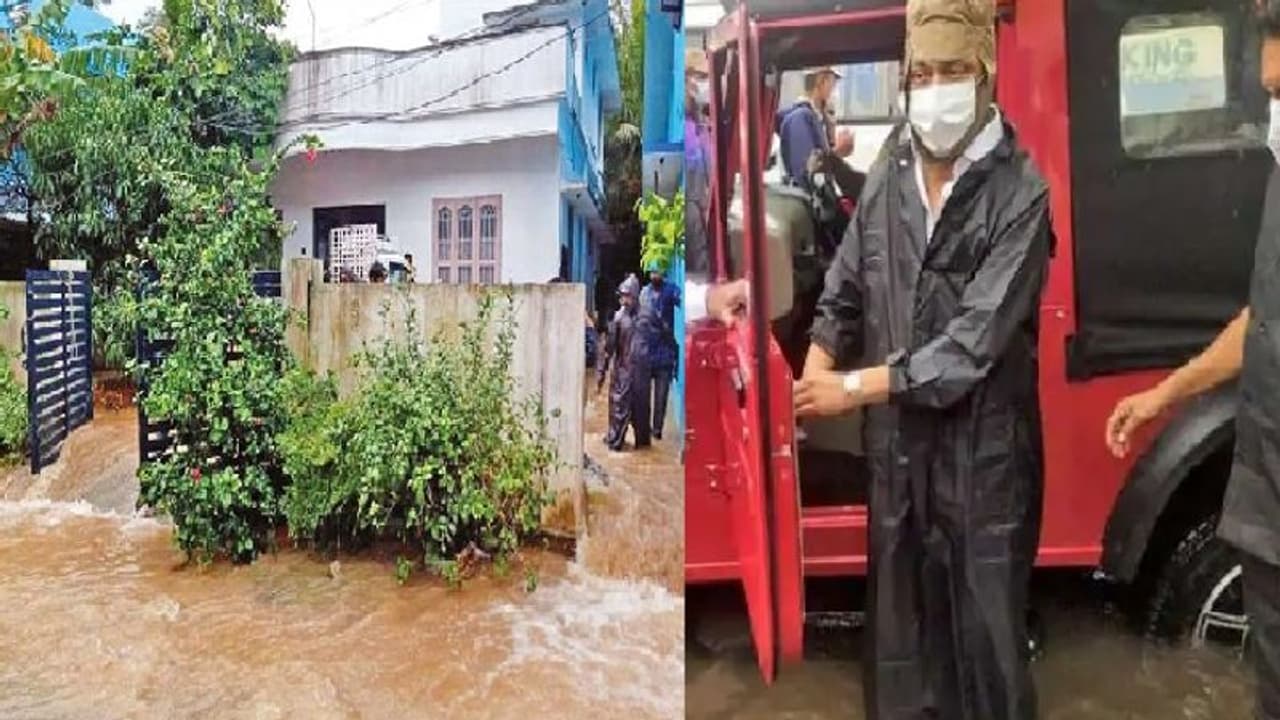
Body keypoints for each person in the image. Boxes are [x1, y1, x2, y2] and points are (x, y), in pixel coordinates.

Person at [793, 0, 1053, 717]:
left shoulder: (1022, 195)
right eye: (923, 72)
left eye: (953, 70)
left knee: (986, 657)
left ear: (986, 74)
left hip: (986, 470)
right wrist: (816, 366)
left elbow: (972, 345)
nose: (935, 87)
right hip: (900, 462)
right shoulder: (892, 166)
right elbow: (848, 280)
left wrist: (853, 386)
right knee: (900, 653)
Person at [1105, 4, 1280, 717]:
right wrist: (1163, 396)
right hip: (1267, 500)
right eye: (1271, 93)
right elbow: (1262, 319)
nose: (1274, 109)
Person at [597, 275, 653, 451]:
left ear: (635, 296)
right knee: (618, 413)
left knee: (641, 415)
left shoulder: (647, 316)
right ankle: (615, 441)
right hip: (623, 374)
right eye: (622, 296)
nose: (624, 299)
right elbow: (608, 349)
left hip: (641, 376)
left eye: (627, 296)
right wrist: (601, 372)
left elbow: (661, 337)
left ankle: (642, 445)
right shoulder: (619, 318)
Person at [776, 66, 854, 192]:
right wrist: (837, 152)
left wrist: (830, 132)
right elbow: (807, 174)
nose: (834, 92)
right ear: (821, 82)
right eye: (832, 85)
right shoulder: (800, 118)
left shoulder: (818, 119)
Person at [640, 261, 682, 440]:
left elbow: (682, 304)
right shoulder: (644, 293)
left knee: (661, 396)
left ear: (663, 273)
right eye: (652, 273)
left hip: (665, 352)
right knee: (643, 395)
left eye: (657, 272)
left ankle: (657, 430)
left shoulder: (672, 290)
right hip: (647, 353)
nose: (654, 276)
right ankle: (644, 429)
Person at [686, 49, 714, 277]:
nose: (707, 84)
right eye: (703, 77)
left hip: (704, 206)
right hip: (694, 208)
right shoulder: (685, 124)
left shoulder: (701, 122)